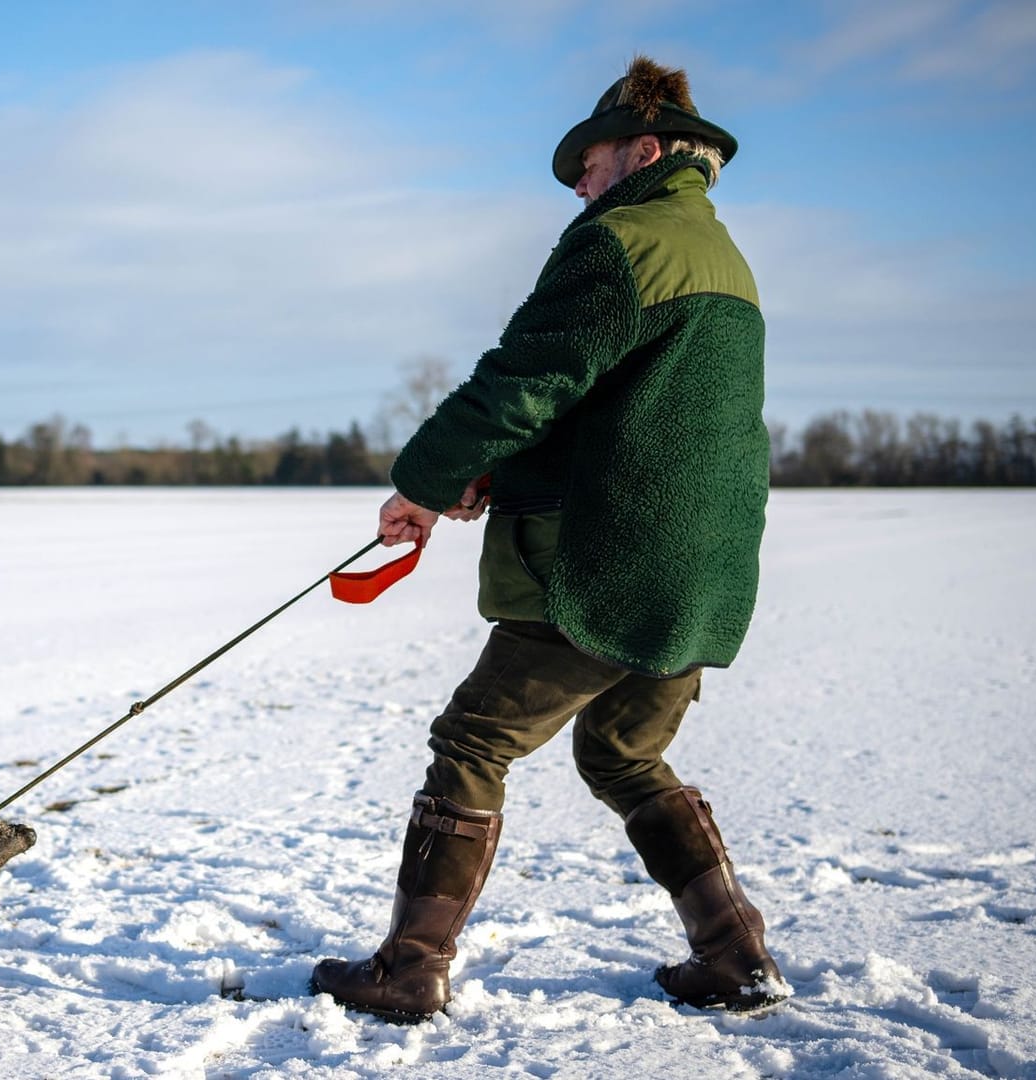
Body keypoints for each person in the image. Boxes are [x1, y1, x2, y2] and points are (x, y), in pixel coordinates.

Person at [309, 55, 787, 1020]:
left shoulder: (621, 243)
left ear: (645, 151)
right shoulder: (723, 257)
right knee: (622, 752)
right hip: (702, 568)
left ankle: (410, 969)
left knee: (473, 740)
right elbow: (625, 415)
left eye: (592, 161)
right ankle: (736, 956)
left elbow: (523, 381)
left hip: (604, 563)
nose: (579, 182)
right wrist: (505, 472)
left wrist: (424, 481)